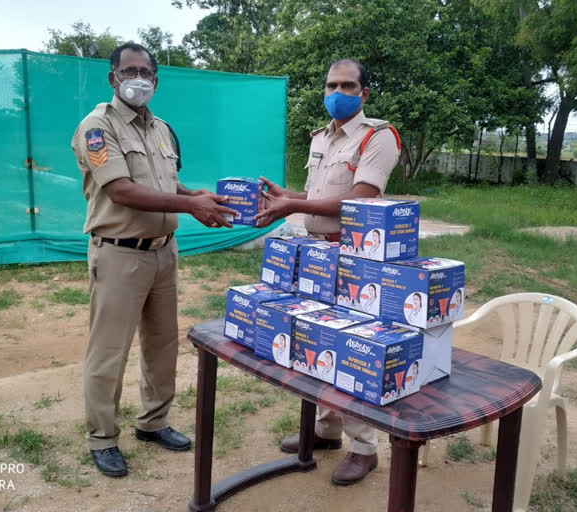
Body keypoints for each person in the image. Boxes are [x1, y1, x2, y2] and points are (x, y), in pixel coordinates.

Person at [71, 43, 237, 478]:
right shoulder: (97, 127)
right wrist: (192, 208)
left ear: (156, 80)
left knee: (162, 345)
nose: (138, 78)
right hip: (119, 254)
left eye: (145, 71)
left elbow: (169, 181)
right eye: (129, 71)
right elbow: (121, 191)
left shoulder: (160, 128)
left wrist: (197, 195)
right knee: (110, 350)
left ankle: (153, 422)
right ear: (113, 78)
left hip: (164, 252)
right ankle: (103, 438)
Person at [256, 58, 400, 486]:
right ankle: (327, 430)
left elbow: (358, 200)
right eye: (331, 84)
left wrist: (293, 206)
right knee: (318, 340)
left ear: (364, 93)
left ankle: (364, 447)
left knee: (354, 347)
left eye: (347, 85)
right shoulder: (322, 138)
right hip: (316, 255)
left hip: (357, 259)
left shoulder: (379, 137)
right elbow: (321, 194)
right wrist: (290, 195)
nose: (337, 92)